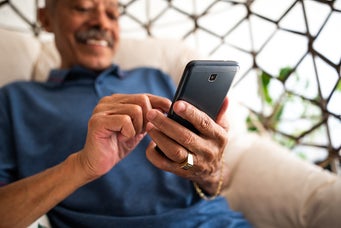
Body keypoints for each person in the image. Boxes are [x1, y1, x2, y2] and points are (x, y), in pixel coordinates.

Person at [0, 0, 251, 227]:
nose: (101, 22)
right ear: (45, 19)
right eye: (83, 8)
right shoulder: (14, 100)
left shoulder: (155, 76)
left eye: (112, 13)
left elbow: (214, 181)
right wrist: (82, 165)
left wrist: (209, 169)